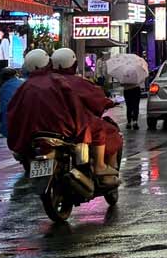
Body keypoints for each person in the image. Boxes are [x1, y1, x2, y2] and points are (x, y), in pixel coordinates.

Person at [52, 47, 122, 184]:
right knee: (106, 131)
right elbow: (97, 99)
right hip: (75, 125)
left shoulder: (45, 82)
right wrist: (108, 102)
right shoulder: (77, 82)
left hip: (51, 126)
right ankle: (101, 168)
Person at [107, 50, 150, 130]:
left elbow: (122, 84)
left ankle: (129, 122)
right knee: (135, 106)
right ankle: (135, 122)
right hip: (136, 90)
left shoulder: (124, 72)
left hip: (127, 91)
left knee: (129, 106)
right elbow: (141, 80)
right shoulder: (138, 70)